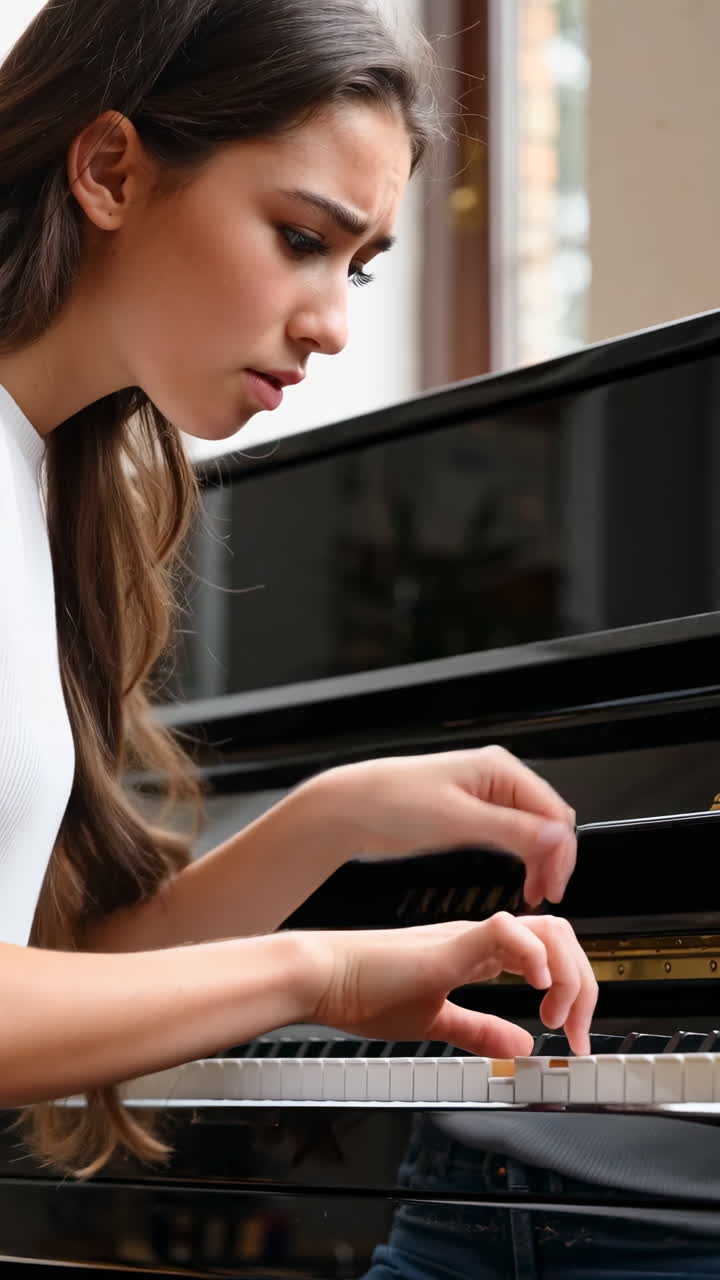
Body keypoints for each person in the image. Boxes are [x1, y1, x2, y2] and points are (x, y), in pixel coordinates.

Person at [0, 0, 595, 1179]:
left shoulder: (40, 478)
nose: (327, 324)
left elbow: (66, 977)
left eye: (360, 270)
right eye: (299, 236)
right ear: (110, 169)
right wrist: (314, 970)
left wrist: (331, 818)